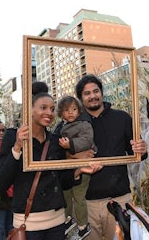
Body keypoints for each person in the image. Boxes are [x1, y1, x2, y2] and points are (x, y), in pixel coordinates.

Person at [0, 83, 102, 240]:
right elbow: (1, 182)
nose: (49, 113)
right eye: (43, 108)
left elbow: (63, 181)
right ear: (30, 110)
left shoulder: (55, 140)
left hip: (57, 222)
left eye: (52, 109)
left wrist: (79, 171)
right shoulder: (13, 136)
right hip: (27, 224)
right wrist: (18, 147)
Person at [74, 74, 148, 240]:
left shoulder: (122, 118)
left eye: (96, 91)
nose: (93, 96)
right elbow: (65, 165)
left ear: (101, 92)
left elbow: (137, 155)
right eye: (87, 93)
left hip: (120, 200)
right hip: (88, 205)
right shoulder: (74, 125)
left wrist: (142, 150)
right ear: (80, 98)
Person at [56, 95, 97, 239]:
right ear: (61, 113)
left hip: (82, 166)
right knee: (66, 193)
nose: (71, 112)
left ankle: (82, 225)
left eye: (74, 109)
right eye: (67, 110)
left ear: (79, 111)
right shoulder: (60, 127)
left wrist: (70, 145)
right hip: (68, 168)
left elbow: (87, 140)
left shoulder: (84, 124)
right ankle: (68, 219)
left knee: (79, 196)